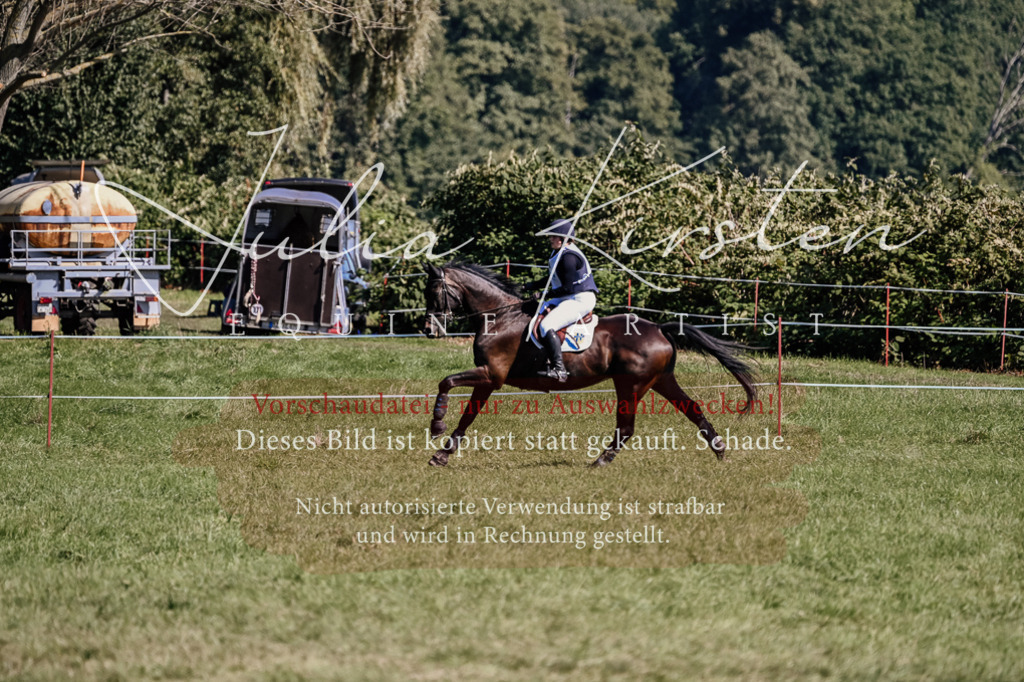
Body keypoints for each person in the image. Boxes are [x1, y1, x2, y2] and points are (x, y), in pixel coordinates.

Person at [524, 218, 599, 382]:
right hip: (568, 296)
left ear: (563, 238)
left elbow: (568, 288)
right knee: (533, 311)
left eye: (553, 236)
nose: (550, 239)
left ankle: (559, 370)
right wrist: (529, 286)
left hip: (580, 299)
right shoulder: (559, 251)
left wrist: (545, 294)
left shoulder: (569, 257)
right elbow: (553, 278)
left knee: (547, 325)